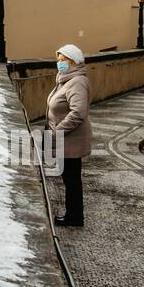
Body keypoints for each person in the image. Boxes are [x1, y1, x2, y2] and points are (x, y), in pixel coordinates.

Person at [47, 43, 92, 227]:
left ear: (74, 61)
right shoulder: (65, 79)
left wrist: (57, 132)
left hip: (70, 141)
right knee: (69, 179)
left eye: (63, 60)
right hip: (65, 140)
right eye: (58, 60)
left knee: (72, 180)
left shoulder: (77, 81)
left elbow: (78, 113)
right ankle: (73, 214)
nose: (59, 63)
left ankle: (74, 217)